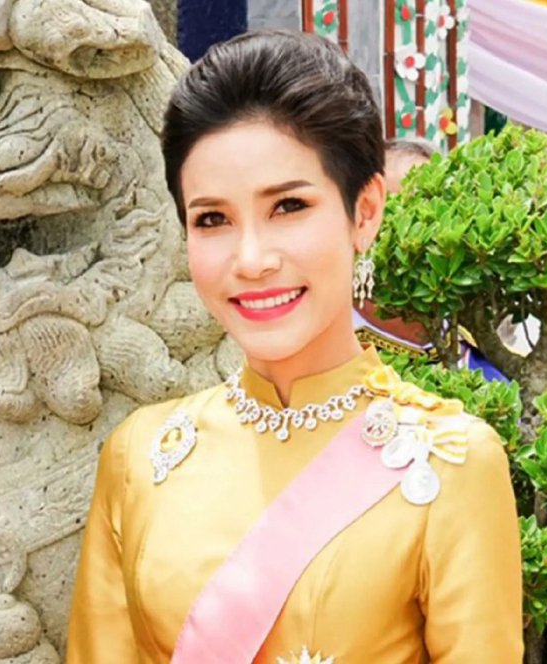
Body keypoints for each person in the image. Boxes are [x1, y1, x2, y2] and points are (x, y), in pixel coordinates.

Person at [66, 31, 523, 664]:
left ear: (364, 212)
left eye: (288, 206)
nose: (251, 259)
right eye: (212, 219)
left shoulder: (452, 462)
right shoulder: (139, 455)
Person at [354, 139, 508, 382]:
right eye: (392, 210)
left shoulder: (482, 351)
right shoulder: (327, 353)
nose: (412, 231)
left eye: (432, 211)